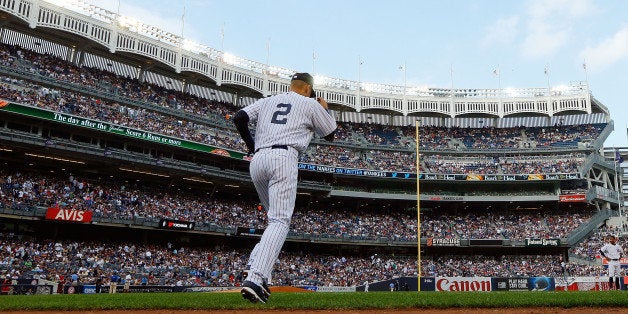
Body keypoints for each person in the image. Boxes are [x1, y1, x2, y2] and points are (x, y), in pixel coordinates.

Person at [233, 72, 336, 303]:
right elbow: (330, 134)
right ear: (308, 89)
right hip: (283, 157)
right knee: (280, 221)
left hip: (258, 160)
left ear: (292, 85)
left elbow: (239, 118)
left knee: (273, 221)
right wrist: (325, 108)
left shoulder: (269, 100)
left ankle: (256, 269)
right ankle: (255, 278)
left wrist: (251, 145)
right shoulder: (309, 103)